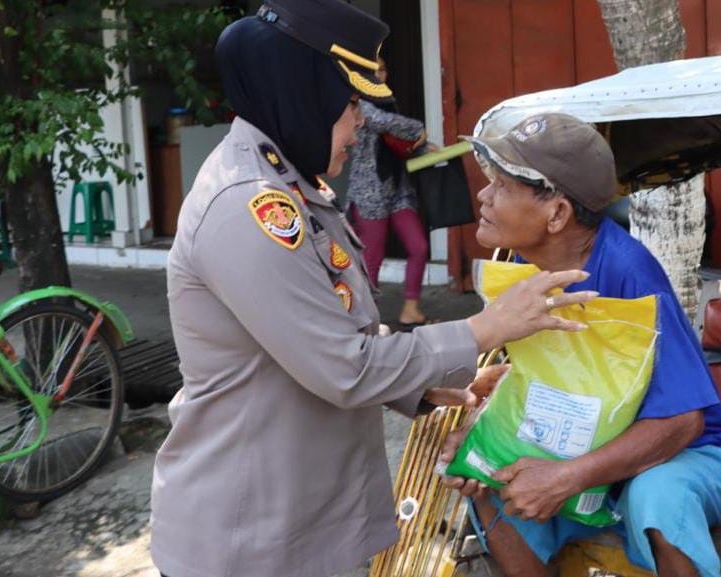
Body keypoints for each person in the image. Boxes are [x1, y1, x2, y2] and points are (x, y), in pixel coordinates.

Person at [149, 4, 597, 577]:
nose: (361, 122)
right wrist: (485, 328)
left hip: (294, 524)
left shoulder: (294, 185)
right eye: (351, 103)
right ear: (303, 96)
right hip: (249, 538)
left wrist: (431, 383)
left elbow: (333, 336)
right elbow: (344, 366)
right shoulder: (248, 206)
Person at [439, 113, 721, 577]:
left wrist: (565, 477)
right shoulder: (524, 265)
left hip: (689, 454)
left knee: (658, 495)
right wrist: (480, 438)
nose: (484, 196)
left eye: (504, 186)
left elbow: (683, 422)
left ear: (557, 214)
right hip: (589, 444)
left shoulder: (630, 272)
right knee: (486, 477)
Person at [346, 57, 433, 329]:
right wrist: (419, 130)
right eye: (371, 71)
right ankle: (366, 321)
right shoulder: (359, 105)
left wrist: (423, 146)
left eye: (382, 70)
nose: (378, 75)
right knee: (372, 258)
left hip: (397, 187)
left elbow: (397, 140)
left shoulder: (388, 102)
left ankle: (411, 310)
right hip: (369, 190)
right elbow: (387, 124)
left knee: (418, 246)